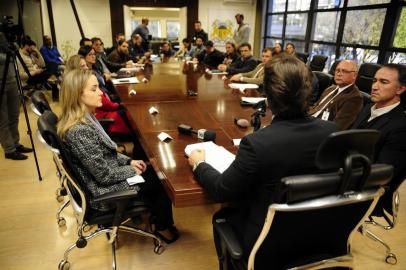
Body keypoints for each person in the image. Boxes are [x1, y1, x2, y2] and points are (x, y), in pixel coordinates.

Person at [187, 55, 337, 267]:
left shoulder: (257, 144)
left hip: (267, 243)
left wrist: (200, 164)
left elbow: (222, 190)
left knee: (222, 216)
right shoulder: (332, 132)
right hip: (320, 235)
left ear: (267, 96)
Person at [57, 69, 178, 243]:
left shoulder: (86, 118)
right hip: (103, 192)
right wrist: (131, 171)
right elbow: (104, 176)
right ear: (77, 94)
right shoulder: (79, 131)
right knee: (160, 182)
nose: (101, 93)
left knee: (151, 171)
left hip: (106, 178)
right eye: (94, 89)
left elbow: (107, 153)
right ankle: (163, 228)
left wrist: (129, 161)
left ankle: (155, 215)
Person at [352, 64, 406, 214]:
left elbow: (381, 173)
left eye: (383, 82)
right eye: (374, 80)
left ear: (400, 89)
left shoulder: (401, 127)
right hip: (348, 172)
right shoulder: (368, 107)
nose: (374, 86)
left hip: (367, 192)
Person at [78, 47, 134, 136]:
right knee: (129, 112)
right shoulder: (83, 81)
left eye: (94, 54)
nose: (93, 56)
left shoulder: (94, 69)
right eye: (90, 54)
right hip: (101, 112)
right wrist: (117, 105)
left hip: (103, 106)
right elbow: (103, 101)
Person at [0, 35, 33, 160]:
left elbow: (15, 54)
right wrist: (9, 53)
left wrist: (12, 48)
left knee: (14, 114)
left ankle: (16, 143)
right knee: (3, 118)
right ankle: (9, 149)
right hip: (0, 84)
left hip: (12, 81)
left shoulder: (4, 39)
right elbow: (8, 58)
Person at [309, 60, 363, 130]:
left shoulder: (355, 97)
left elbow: (338, 127)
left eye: (344, 71)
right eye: (337, 70)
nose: (339, 74)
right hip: (309, 121)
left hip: (319, 129)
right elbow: (316, 107)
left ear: (354, 75)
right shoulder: (331, 88)